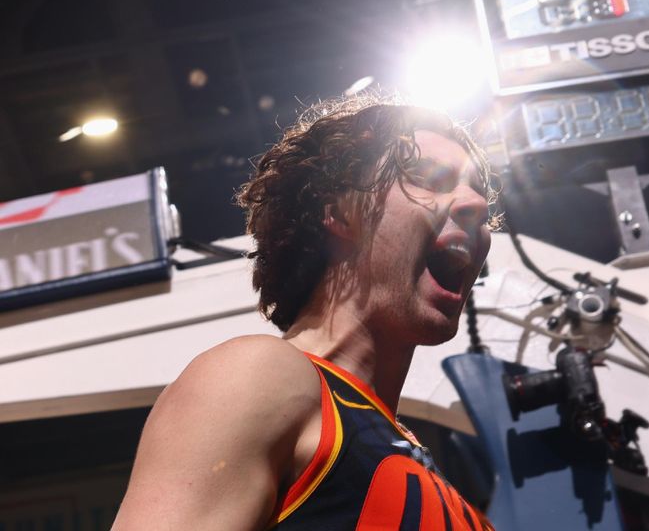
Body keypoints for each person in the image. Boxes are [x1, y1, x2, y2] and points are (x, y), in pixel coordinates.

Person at [112, 95, 498, 530]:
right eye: (428, 179)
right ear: (336, 210)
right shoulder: (256, 376)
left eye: (479, 191)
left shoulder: (404, 451)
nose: (477, 206)